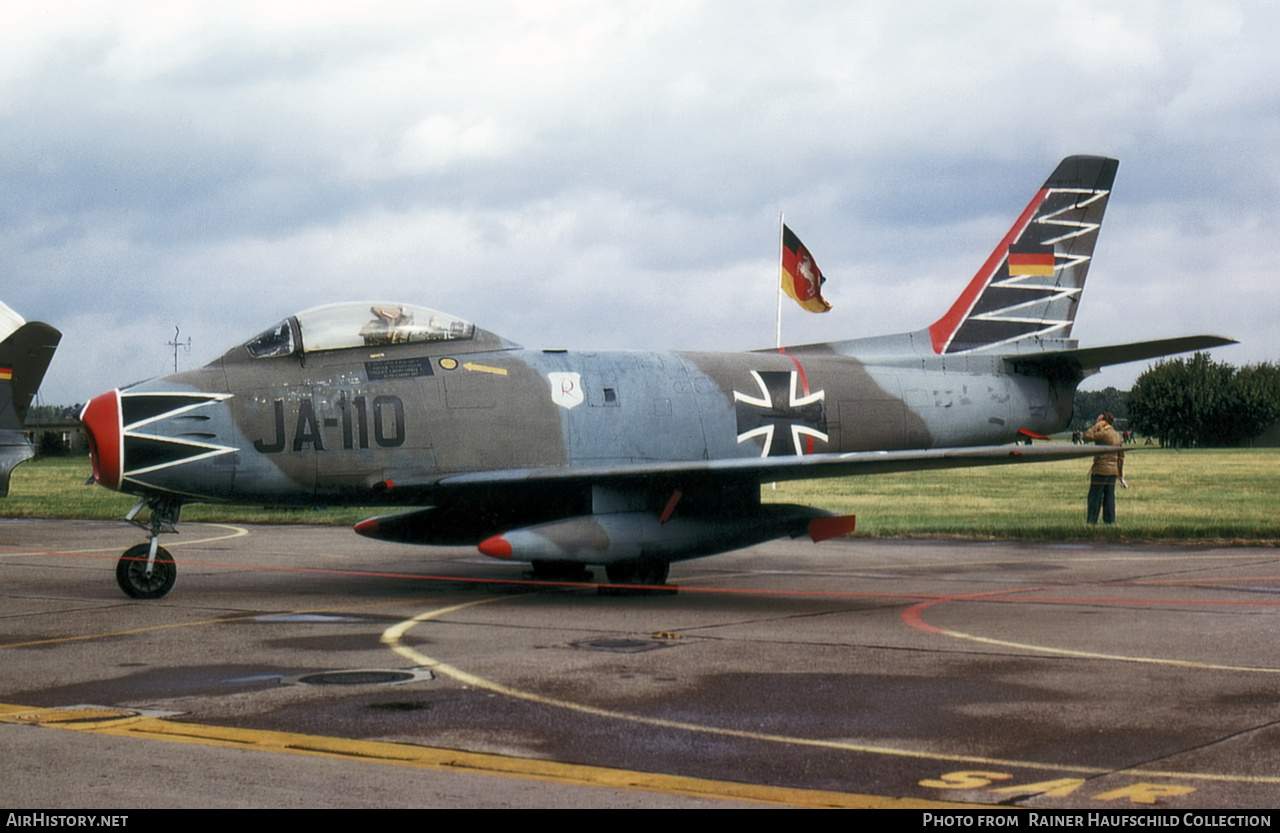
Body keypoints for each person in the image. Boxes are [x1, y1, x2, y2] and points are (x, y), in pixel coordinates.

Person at [1083, 412, 1125, 524]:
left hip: (1101, 470)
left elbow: (1086, 437)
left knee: (1094, 498)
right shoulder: (1117, 435)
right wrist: (1120, 474)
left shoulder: (1104, 434)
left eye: (1098, 420)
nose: (1097, 422)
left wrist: (1096, 427)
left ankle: (1091, 521)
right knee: (1109, 498)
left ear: (1104, 422)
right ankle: (1110, 522)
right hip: (1113, 472)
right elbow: (1121, 457)